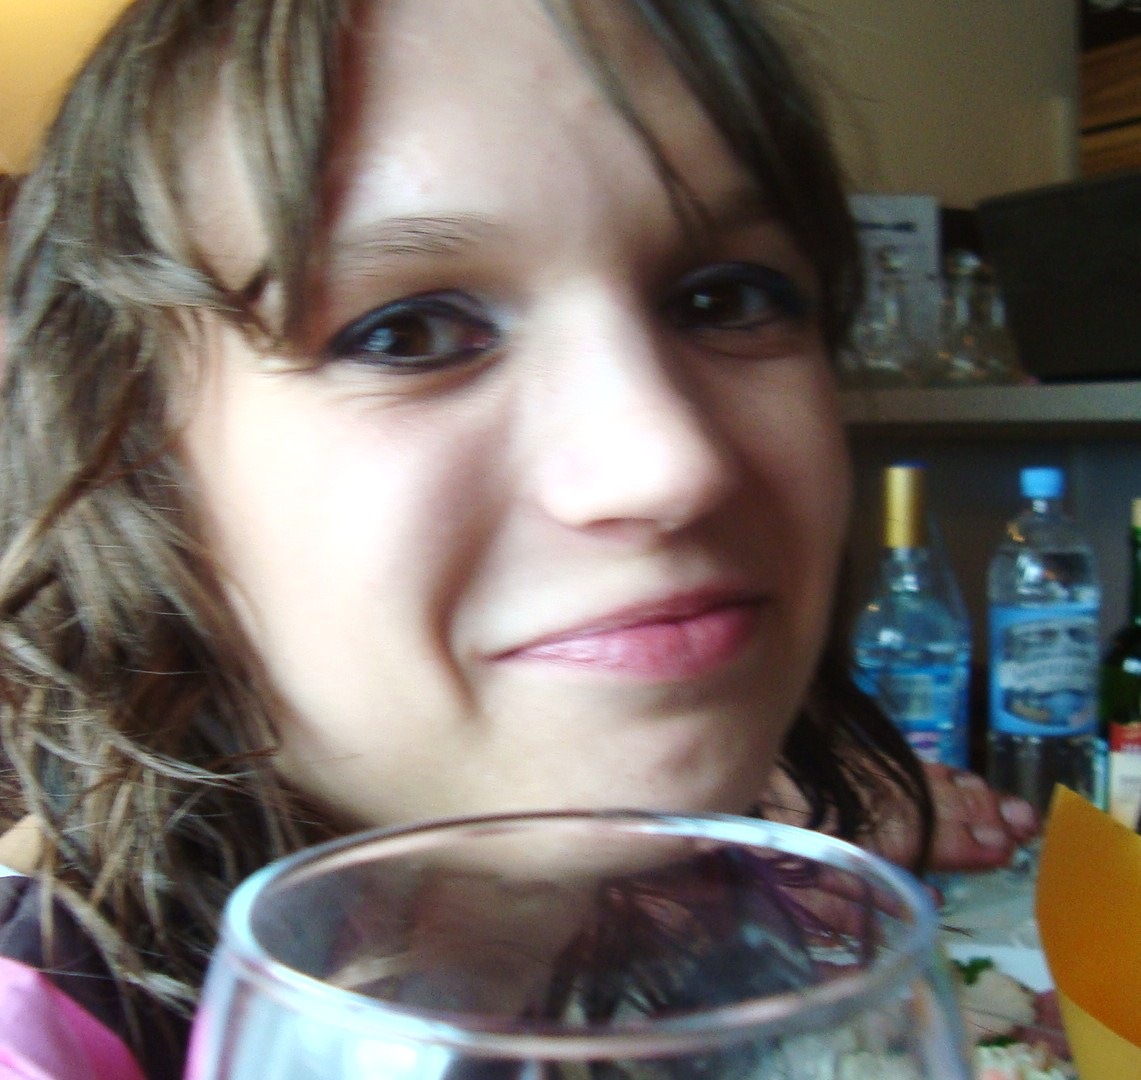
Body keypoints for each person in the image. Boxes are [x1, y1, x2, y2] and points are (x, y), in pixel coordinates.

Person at [0, 0, 1036, 1075]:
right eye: (408, 333)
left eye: (726, 298)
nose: (673, 461)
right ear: (130, 465)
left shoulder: (712, 933)